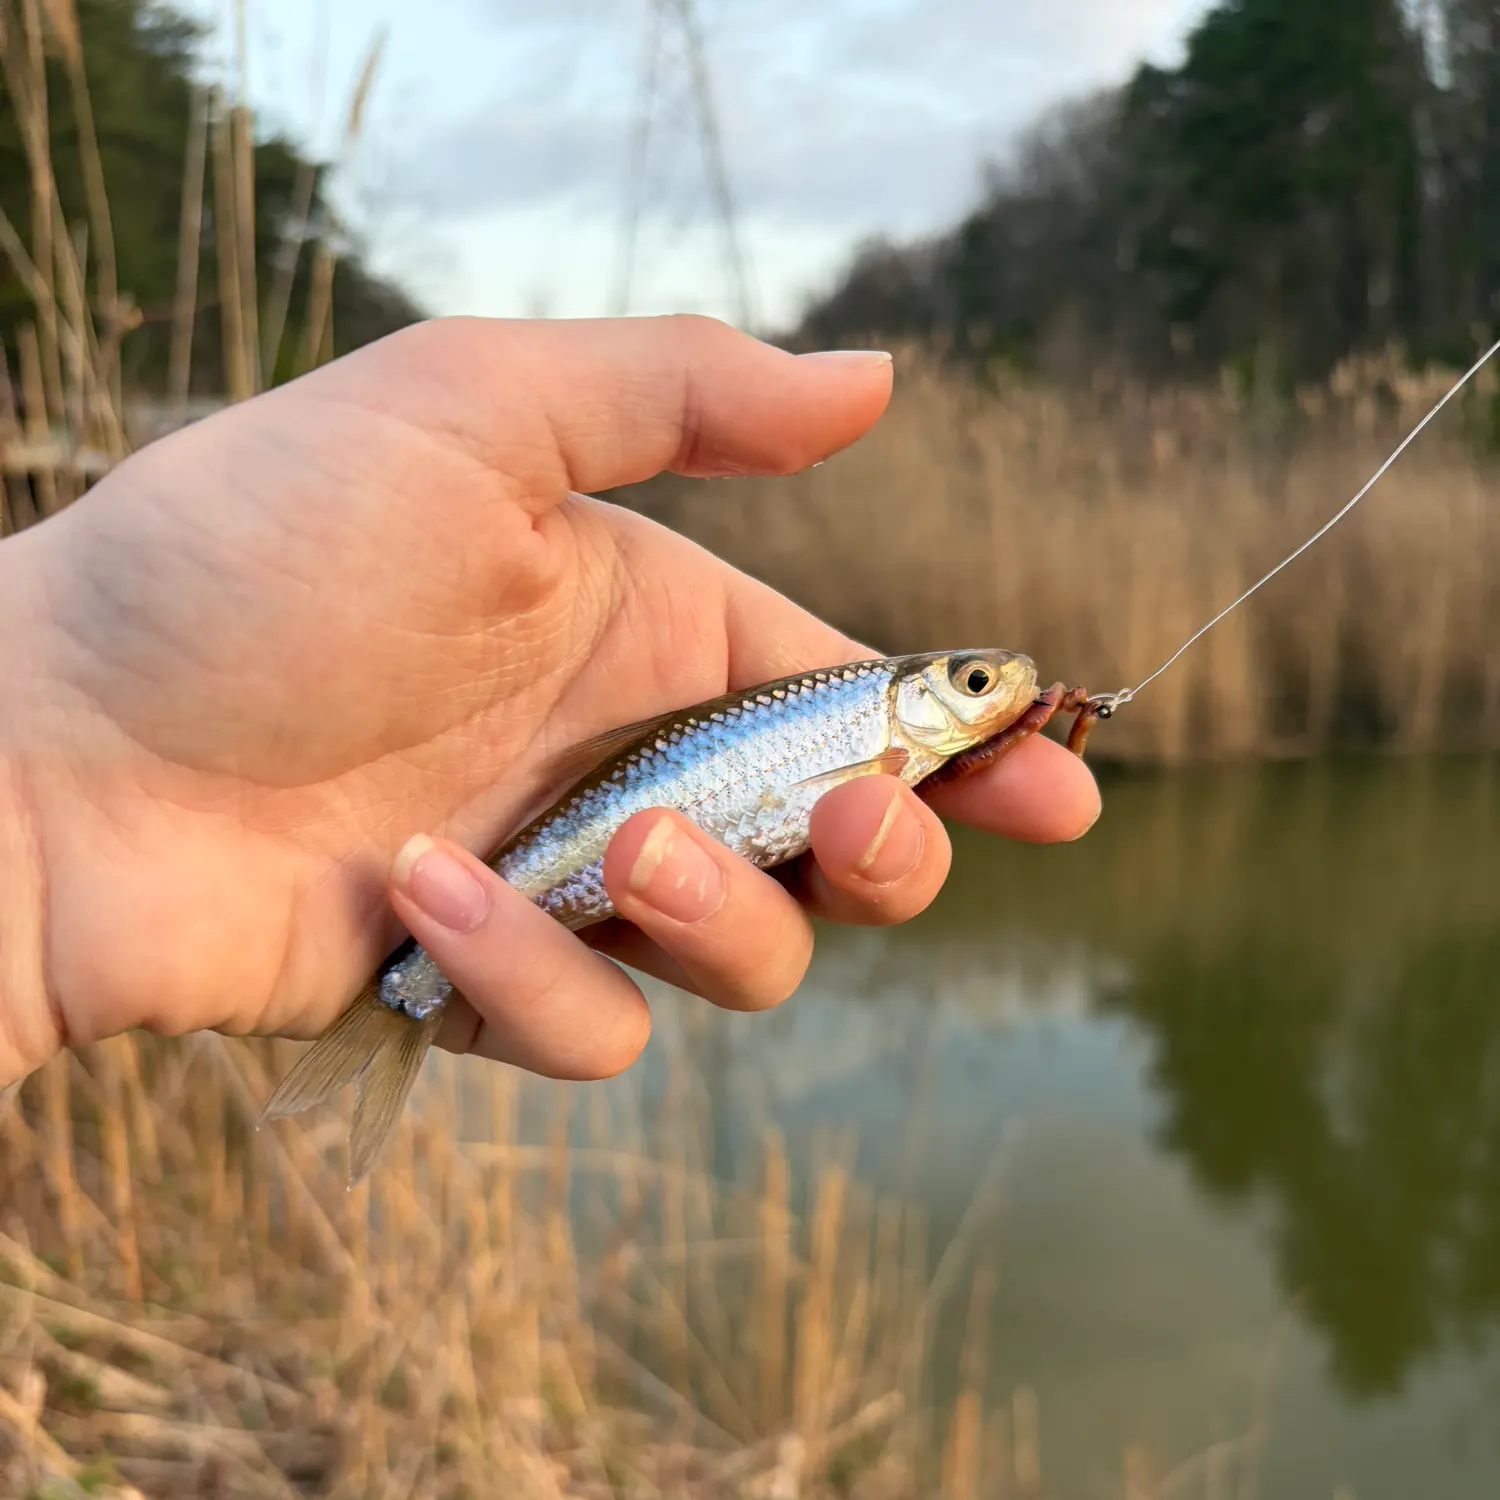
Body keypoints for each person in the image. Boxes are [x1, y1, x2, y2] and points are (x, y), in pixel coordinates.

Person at [0, 315, 1099, 1090]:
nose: (991, 689)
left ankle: (399, 999)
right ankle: (398, 1003)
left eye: (984, 686)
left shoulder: (893, 744)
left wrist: (43, 856)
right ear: (914, 699)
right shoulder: (872, 721)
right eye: (970, 683)